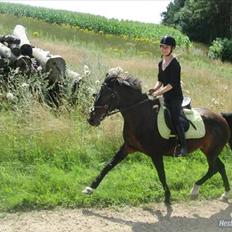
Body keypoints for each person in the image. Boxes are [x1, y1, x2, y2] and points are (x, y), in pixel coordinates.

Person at [149, 35, 187, 157]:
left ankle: (184, 147)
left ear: (172, 48)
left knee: (175, 119)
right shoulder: (161, 63)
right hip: (165, 96)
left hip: (175, 97)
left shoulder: (175, 64)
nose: (164, 49)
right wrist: (154, 89)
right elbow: (160, 80)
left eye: (167, 47)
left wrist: (158, 93)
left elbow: (171, 84)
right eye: (162, 46)